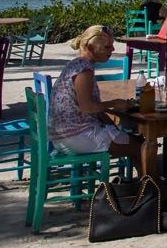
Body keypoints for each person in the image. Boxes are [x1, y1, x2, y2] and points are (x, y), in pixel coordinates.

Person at [48, 26, 142, 161]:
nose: (112, 50)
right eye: (107, 47)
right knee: (140, 146)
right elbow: (87, 107)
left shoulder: (76, 64)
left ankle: (143, 180)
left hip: (63, 135)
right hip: (74, 137)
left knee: (133, 141)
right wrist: (114, 103)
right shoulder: (84, 71)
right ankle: (150, 181)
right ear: (91, 47)